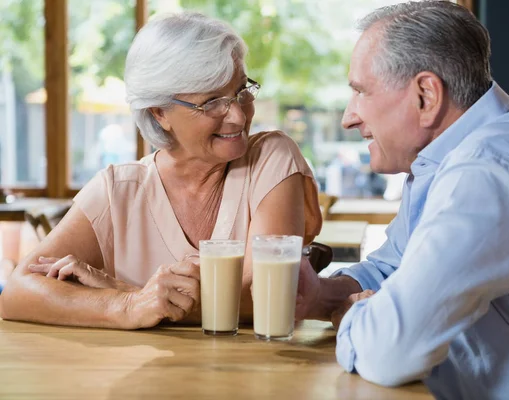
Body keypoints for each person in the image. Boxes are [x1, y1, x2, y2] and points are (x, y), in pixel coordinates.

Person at [295, 2, 509, 398]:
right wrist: (321, 294)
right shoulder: (458, 154)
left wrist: (358, 315)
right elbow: (391, 268)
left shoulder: (487, 172)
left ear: (426, 95)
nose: (348, 117)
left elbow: (389, 352)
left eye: (360, 92)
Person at [0, 12, 322, 329]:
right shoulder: (118, 191)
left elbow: (262, 298)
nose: (238, 116)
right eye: (212, 102)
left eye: (241, 91)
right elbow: (16, 293)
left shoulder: (271, 158)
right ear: (159, 113)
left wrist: (132, 293)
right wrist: (126, 306)